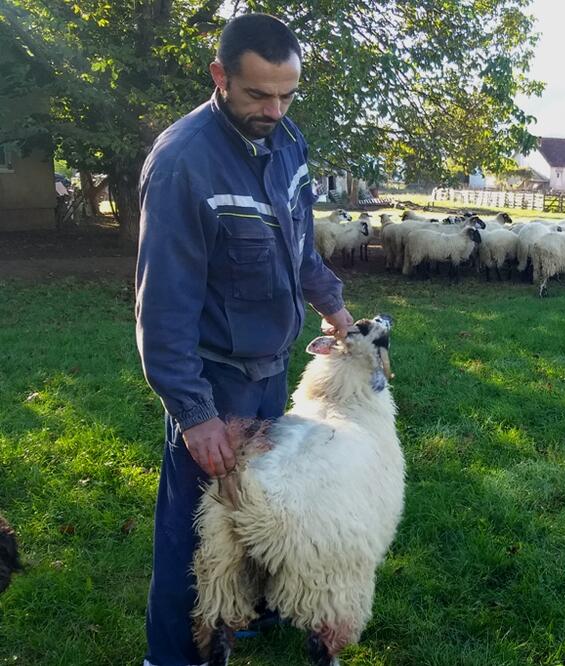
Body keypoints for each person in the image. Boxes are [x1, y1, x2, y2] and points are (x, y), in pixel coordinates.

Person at [134, 13, 352, 666]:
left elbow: (300, 243)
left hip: (271, 369)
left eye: (287, 95)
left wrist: (332, 303)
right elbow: (163, 311)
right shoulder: (183, 165)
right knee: (195, 532)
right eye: (259, 94)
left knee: (258, 506)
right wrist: (195, 415)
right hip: (215, 380)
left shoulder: (288, 142)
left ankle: (245, 616)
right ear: (220, 77)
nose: (274, 111)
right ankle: (170, 656)